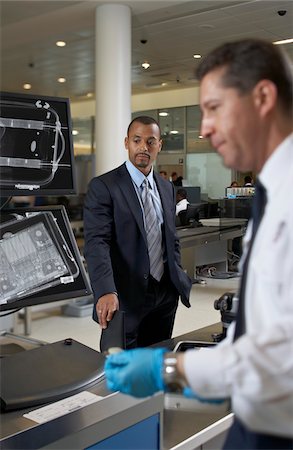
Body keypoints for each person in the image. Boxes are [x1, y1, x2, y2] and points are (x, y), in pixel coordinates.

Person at [104, 39, 293, 449]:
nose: (204, 128)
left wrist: (168, 370)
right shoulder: (270, 189)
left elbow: (277, 365)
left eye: (213, 107)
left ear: (262, 97)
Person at [83, 116, 192, 349]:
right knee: (121, 371)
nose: (144, 147)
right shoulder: (105, 186)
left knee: (155, 363)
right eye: (137, 140)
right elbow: (96, 243)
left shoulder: (167, 188)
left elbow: (170, 238)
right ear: (127, 143)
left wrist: (177, 277)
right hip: (124, 298)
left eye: (151, 141)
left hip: (165, 295)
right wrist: (105, 290)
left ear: (159, 145)